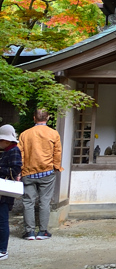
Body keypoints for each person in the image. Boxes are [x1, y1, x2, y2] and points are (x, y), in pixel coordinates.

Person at [19, 109, 62, 240]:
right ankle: (42, 231)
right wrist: (56, 167)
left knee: (28, 202)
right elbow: (57, 152)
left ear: (34, 118)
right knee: (44, 202)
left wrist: (20, 170)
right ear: (47, 118)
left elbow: (20, 154)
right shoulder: (53, 133)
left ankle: (29, 232)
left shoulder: (25, 134)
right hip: (47, 171)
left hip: (28, 171)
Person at [0, 124, 22, 260]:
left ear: (6, 140)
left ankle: (3, 250)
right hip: (2, 191)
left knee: (2, 221)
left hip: (5, 192)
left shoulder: (14, 151)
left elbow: (15, 171)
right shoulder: (8, 151)